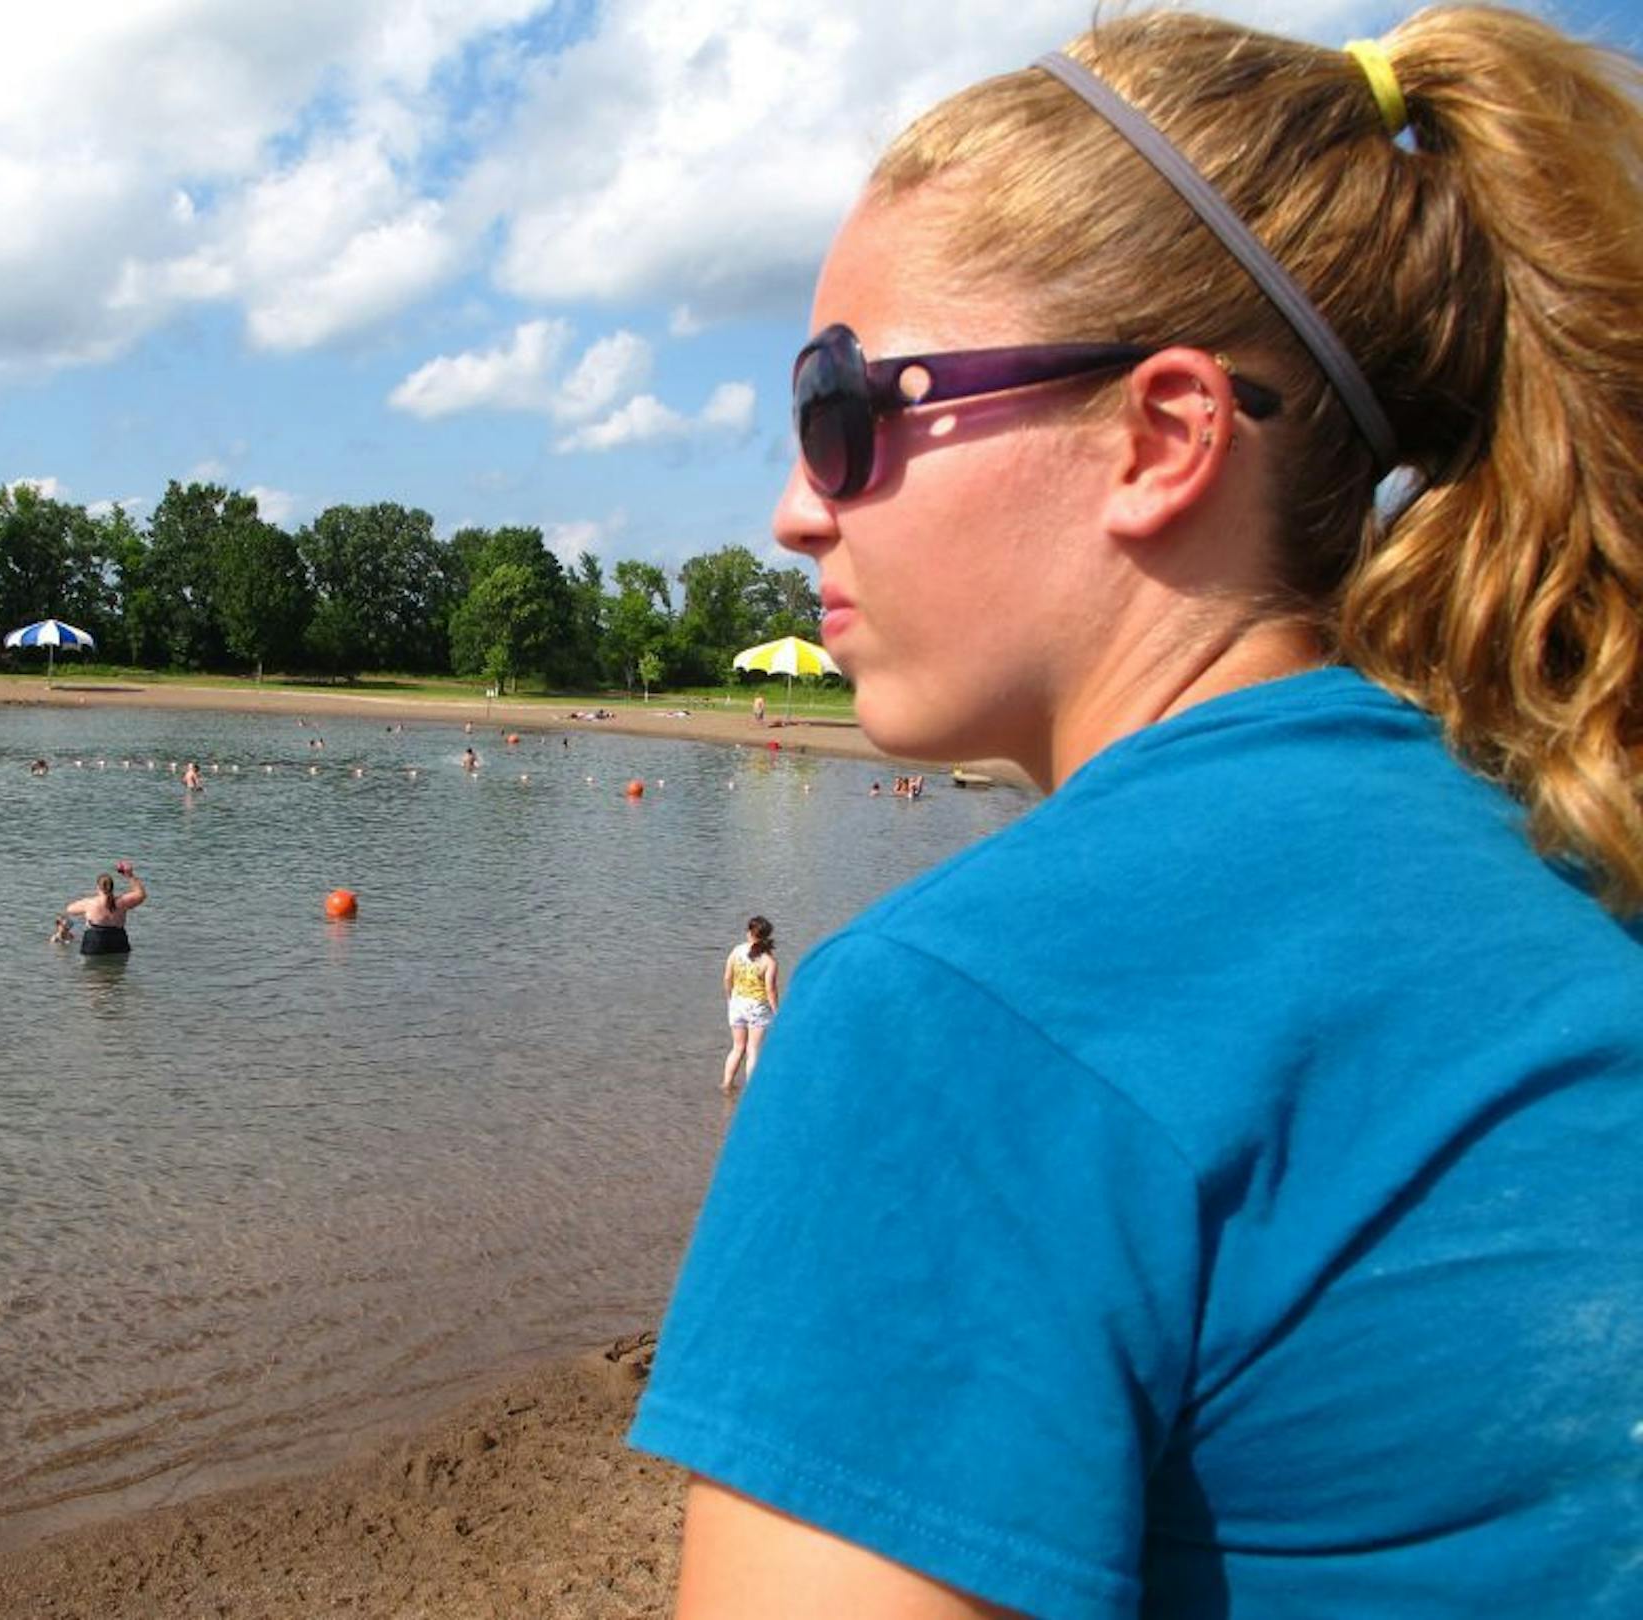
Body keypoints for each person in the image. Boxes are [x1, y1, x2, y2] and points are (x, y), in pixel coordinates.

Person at [630, 13, 1643, 1619]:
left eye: (845, 410)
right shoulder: (1587, 864)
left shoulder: (958, 1016)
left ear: (1162, 437)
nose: (797, 502)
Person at [719, 917, 778, 1092]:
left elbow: (727, 978)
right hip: (757, 1007)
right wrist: (777, 1012)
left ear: (750, 933)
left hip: (737, 1003)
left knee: (737, 1048)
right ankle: (751, 1091)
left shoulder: (737, 951)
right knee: (753, 1050)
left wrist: (730, 998)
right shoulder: (769, 962)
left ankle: (726, 1083)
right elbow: (770, 991)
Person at [67, 861, 145, 955]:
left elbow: (69, 909)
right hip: (118, 943)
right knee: (117, 969)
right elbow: (141, 894)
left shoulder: (89, 903)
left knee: (92, 969)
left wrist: (86, 910)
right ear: (112, 887)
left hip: (94, 944)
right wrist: (130, 875)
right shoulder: (123, 902)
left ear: (98, 887)